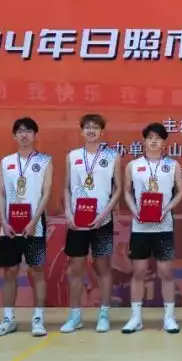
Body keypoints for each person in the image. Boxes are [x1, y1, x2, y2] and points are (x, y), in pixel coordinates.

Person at [0, 117, 53, 338]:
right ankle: (8, 319)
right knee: (10, 271)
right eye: (19, 131)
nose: (24, 135)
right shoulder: (6, 161)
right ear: (14, 135)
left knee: (37, 270)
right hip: (9, 225)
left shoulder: (45, 161)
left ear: (35, 135)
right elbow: (0, 193)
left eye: (28, 131)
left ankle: (38, 319)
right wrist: (3, 220)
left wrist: (34, 221)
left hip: (34, 225)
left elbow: (46, 192)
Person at [61, 113, 122, 334]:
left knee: (103, 267)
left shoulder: (113, 157)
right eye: (87, 127)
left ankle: (104, 315)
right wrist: (68, 213)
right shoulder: (73, 156)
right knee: (75, 268)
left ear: (102, 132)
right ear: (82, 131)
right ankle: (75, 316)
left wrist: (104, 213)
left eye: (95, 127)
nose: (91, 131)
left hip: (102, 220)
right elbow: (67, 188)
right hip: (77, 221)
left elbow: (118, 189)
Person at [123, 122, 182, 334]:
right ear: (144, 141)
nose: (154, 141)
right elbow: (127, 191)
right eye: (150, 138)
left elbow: (180, 191)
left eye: (158, 138)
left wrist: (167, 208)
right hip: (140, 227)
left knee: (165, 271)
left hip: (163, 226)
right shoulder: (133, 165)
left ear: (164, 142)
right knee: (139, 271)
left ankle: (169, 318)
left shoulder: (172, 165)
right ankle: (136, 318)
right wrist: (134, 210)